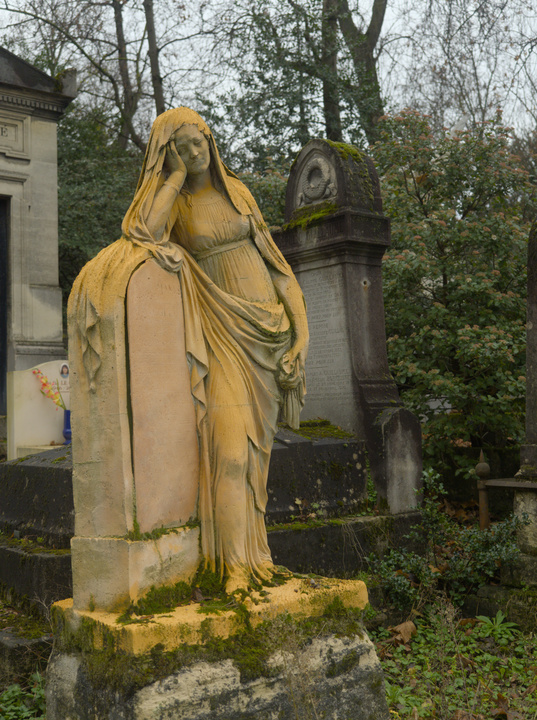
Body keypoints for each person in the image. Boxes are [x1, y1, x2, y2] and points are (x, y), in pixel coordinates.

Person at [69, 107, 308, 594]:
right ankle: (232, 568)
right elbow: (143, 233)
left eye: (198, 142)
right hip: (221, 334)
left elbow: (280, 269)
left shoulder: (238, 192)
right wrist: (173, 177)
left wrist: (301, 335)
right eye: (180, 147)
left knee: (256, 458)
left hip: (268, 332)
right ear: (167, 153)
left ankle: (254, 557)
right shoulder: (175, 202)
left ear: (211, 140)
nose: (194, 152)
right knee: (228, 448)